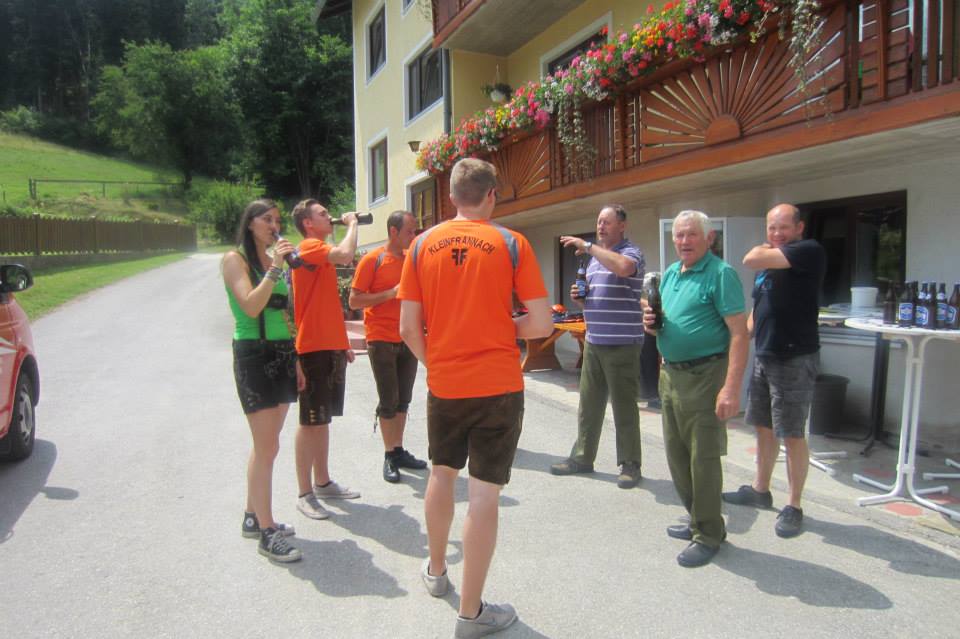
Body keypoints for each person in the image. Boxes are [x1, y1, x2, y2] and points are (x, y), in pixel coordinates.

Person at [398, 158, 551, 638]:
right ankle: (470, 614)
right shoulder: (511, 243)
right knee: (484, 493)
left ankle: (436, 570)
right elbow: (541, 323)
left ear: (450, 197)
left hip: (446, 383)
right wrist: (504, 327)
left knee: (441, 473)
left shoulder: (420, 245)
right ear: (491, 196)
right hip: (498, 384)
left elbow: (407, 329)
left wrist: (437, 362)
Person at [644, 210, 748, 568]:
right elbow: (662, 326)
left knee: (702, 458)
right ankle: (698, 520)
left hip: (706, 376)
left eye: (691, 234)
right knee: (677, 455)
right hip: (671, 375)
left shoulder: (721, 274)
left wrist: (731, 388)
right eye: (679, 235)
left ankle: (708, 534)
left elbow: (739, 334)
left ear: (709, 238)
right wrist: (652, 324)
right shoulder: (672, 273)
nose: (684, 241)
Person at [722, 204, 826, 538]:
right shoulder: (769, 265)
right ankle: (760, 489)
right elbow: (759, 307)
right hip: (765, 354)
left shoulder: (808, 251)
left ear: (799, 228)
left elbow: (750, 258)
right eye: (771, 228)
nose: (777, 233)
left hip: (794, 357)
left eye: (783, 227)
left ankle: (794, 505)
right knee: (763, 427)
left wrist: (763, 249)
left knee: (792, 433)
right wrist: (740, 338)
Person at [221, 199, 302, 563]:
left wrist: (296, 359)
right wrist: (276, 267)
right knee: (266, 446)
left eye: (277, 220)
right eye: (267, 219)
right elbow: (251, 305)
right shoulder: (234, 260)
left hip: (282, 353)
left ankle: (253, 516)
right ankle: (268, 533)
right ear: (250, 223)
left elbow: (284, 314)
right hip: (254, 354)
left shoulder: (272, 261)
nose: (274, 225)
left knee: (268, 444)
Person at [550, 205, 645, 489]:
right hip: (594, 341)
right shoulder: (593, 261)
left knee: (624, 406)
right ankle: (582, 458)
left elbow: (624, 268)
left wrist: (588, 246)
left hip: (622, 342)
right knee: (589, 405)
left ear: (622, 226)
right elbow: (593, 300)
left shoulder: (631, 252)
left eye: (607, 222)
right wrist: (581, 299)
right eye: (599, 222)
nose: (601, 226)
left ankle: (630, 464)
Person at [289, 199, 362, 522]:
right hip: (312, 348)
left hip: (329, 346)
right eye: (321, 214)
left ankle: (322, 482)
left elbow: (327, 303)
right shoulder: (309, 247)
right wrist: (353, 224)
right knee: (310, 421)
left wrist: (342, 343)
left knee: (322, 419)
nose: (328, 216)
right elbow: (346, 254)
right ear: (308, 223)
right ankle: (304, 493)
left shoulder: (321, 253)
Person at [349, 210, 427, 484]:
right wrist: (390, 294)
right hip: (381, 338)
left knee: (404, 399)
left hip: (408, 337)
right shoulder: (373, 259)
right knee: (388, 400)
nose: (413, 236)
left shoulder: (411, 261)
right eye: (409, 231)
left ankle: (398, 449)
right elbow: (354, 301)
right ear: (393, 231)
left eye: (415, 231)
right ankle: (389, 455)